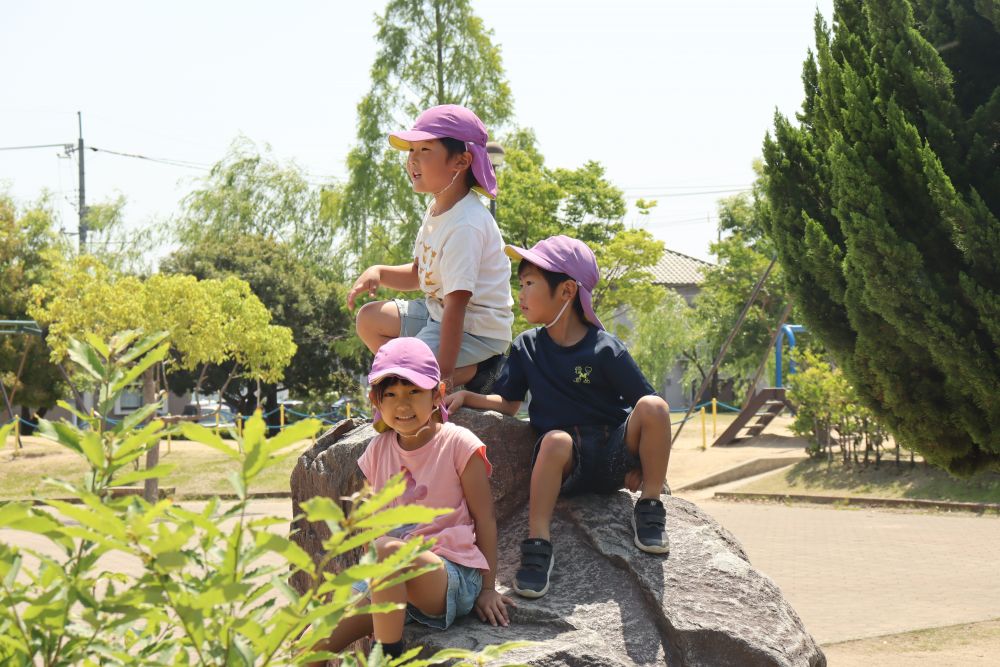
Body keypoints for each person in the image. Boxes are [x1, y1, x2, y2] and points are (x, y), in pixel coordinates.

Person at [446, 235, 672, 599]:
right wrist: (469, 396)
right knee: (554, 440)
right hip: (566, 463)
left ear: (567, 291)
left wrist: (645, 469)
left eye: (530, 284)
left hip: (612, 453)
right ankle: (538, 544)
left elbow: (647, 409)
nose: (520, 294)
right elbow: (508, 402)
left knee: (655, 406)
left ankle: (650, 505)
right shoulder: (527, 347)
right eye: (520, 284)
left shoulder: (604, 349)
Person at [312, 337, 514, 659]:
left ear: (438, 394)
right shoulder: (377, 451)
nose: (402, 406)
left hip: (449, 574)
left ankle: (387, 655)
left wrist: (488, 589)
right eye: (390, 394)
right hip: (387, 577)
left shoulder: (459, 444)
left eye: (413, 392)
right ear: (375, 400)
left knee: (388, 550)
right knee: (311, 643)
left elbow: (485, 519)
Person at [346, 104, 513, 394]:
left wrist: (444, 377)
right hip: (437, 312)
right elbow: (418, 275)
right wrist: (379, 272)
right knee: (369, 319)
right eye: (411, 150)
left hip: (475, 331)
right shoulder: (437, 207)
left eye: (425, 150)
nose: (412, 160)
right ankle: (415, 377)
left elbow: (457, 307)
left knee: (407, 370)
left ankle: (477, 372)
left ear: (460, 162)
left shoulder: (466, 224)